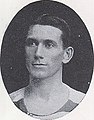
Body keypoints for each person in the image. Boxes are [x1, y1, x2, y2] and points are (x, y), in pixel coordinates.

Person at [9, 14, 85, 119]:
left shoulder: (83, 104)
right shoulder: (8, 102)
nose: (38, 53)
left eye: (49, 45)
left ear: (67, 55)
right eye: (32, 43)